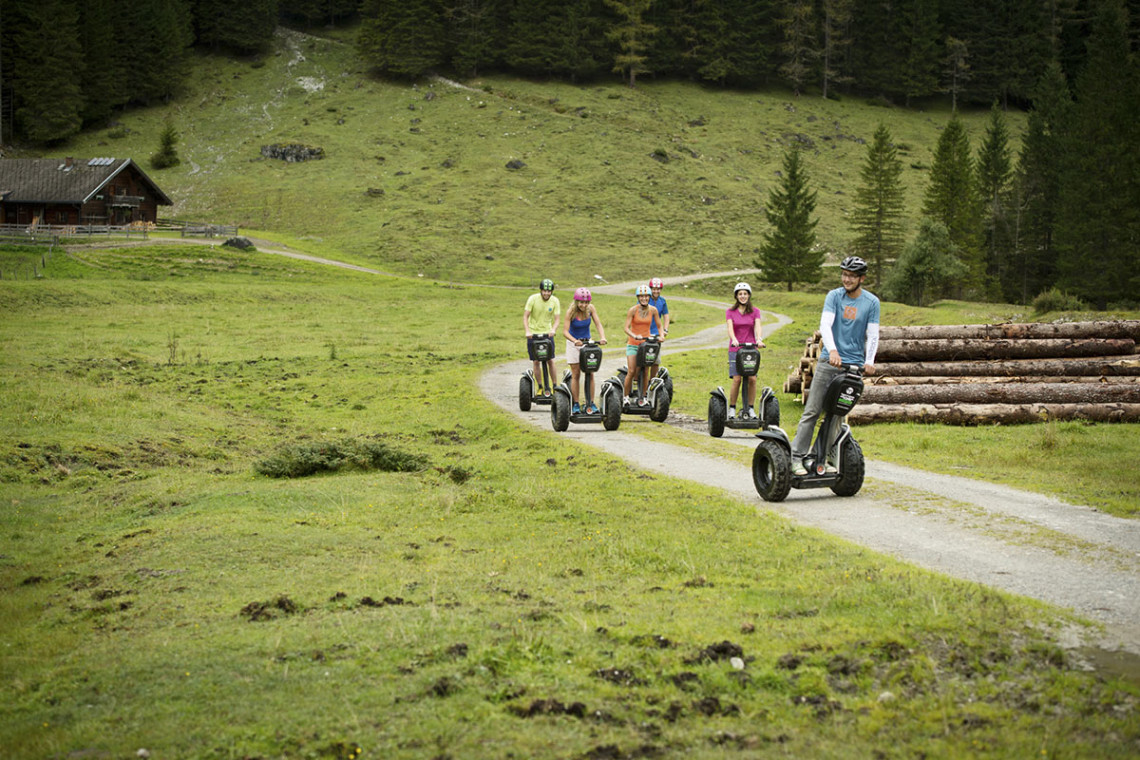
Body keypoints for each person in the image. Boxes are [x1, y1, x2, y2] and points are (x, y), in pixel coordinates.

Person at [791, 256, 880, 475]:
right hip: (829, 363)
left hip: (853, 367)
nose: (846, 279)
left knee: (837, 415)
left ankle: (820, 458)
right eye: (844, 275)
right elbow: (825, 325)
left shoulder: (871, 302)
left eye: (851, 276)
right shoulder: (834, 296)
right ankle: (796, 457)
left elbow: (873, 334)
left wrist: (869, 361)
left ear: (862, 278)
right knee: (813, 410)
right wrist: (832, 350)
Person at [563, 288, 608, 414]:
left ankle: (591, 403)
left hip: (587, 343)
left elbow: (598, 324)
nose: (584, 305)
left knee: (590, 372)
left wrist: (602, 337)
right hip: (573, 343)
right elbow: (565, 331)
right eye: (581, 302)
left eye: (586, 302)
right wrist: (574, 340)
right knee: (576, 374)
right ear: (576, 301)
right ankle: (576, 404)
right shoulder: (571, 312)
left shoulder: (591, 309)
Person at [725, 282, 765, 419]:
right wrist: (734, 339)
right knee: (737, 379)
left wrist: (759, 339)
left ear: (749, 295)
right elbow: (730, 328)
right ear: (736, 296)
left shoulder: (755, 311)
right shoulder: (730, 312)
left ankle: (750, 408)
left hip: (750, 349)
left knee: (752, 379)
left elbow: (758, 326)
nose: (743, 296)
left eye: (745, 294)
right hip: (735, 349)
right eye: (740, 294)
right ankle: (732, 408)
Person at [623, 284, 664, 405]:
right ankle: (625, 397)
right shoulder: (633, 310)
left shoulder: (653, 310)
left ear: (649, 297)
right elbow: (626, 328)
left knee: (646, 370)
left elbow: (659, 325)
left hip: (646, 345)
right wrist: (634, 335)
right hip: (633, 344)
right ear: (638, 297)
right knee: (631, 371)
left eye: (646, 296)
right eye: (641, 297)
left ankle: (643, 397)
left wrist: (661, 336)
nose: (644, 299)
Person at [523, 278, 561, 396]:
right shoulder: (533, 299)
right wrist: (528, 331)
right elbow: (525, 316)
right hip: (533, 334)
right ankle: (540, 387)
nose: (546, 293)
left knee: (550, 360)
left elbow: (557, 319)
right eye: (544, 291)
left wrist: (553, 329)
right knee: (536, 361)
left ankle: (555, 386)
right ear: (541, 290)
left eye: (549, 291)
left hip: (547, 334)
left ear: (551, 292)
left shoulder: (555, 301)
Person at [646, 277, 670, 383]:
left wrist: (665, 330)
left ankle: (653, 382)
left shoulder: (662, 301)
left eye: (658, 289)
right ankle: (642, 382)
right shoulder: (645, 299)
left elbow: (666, 316)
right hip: (645, 333)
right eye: (654, 289)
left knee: (656, 360)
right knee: (645, 360)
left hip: (657, 334)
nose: (656, 291)